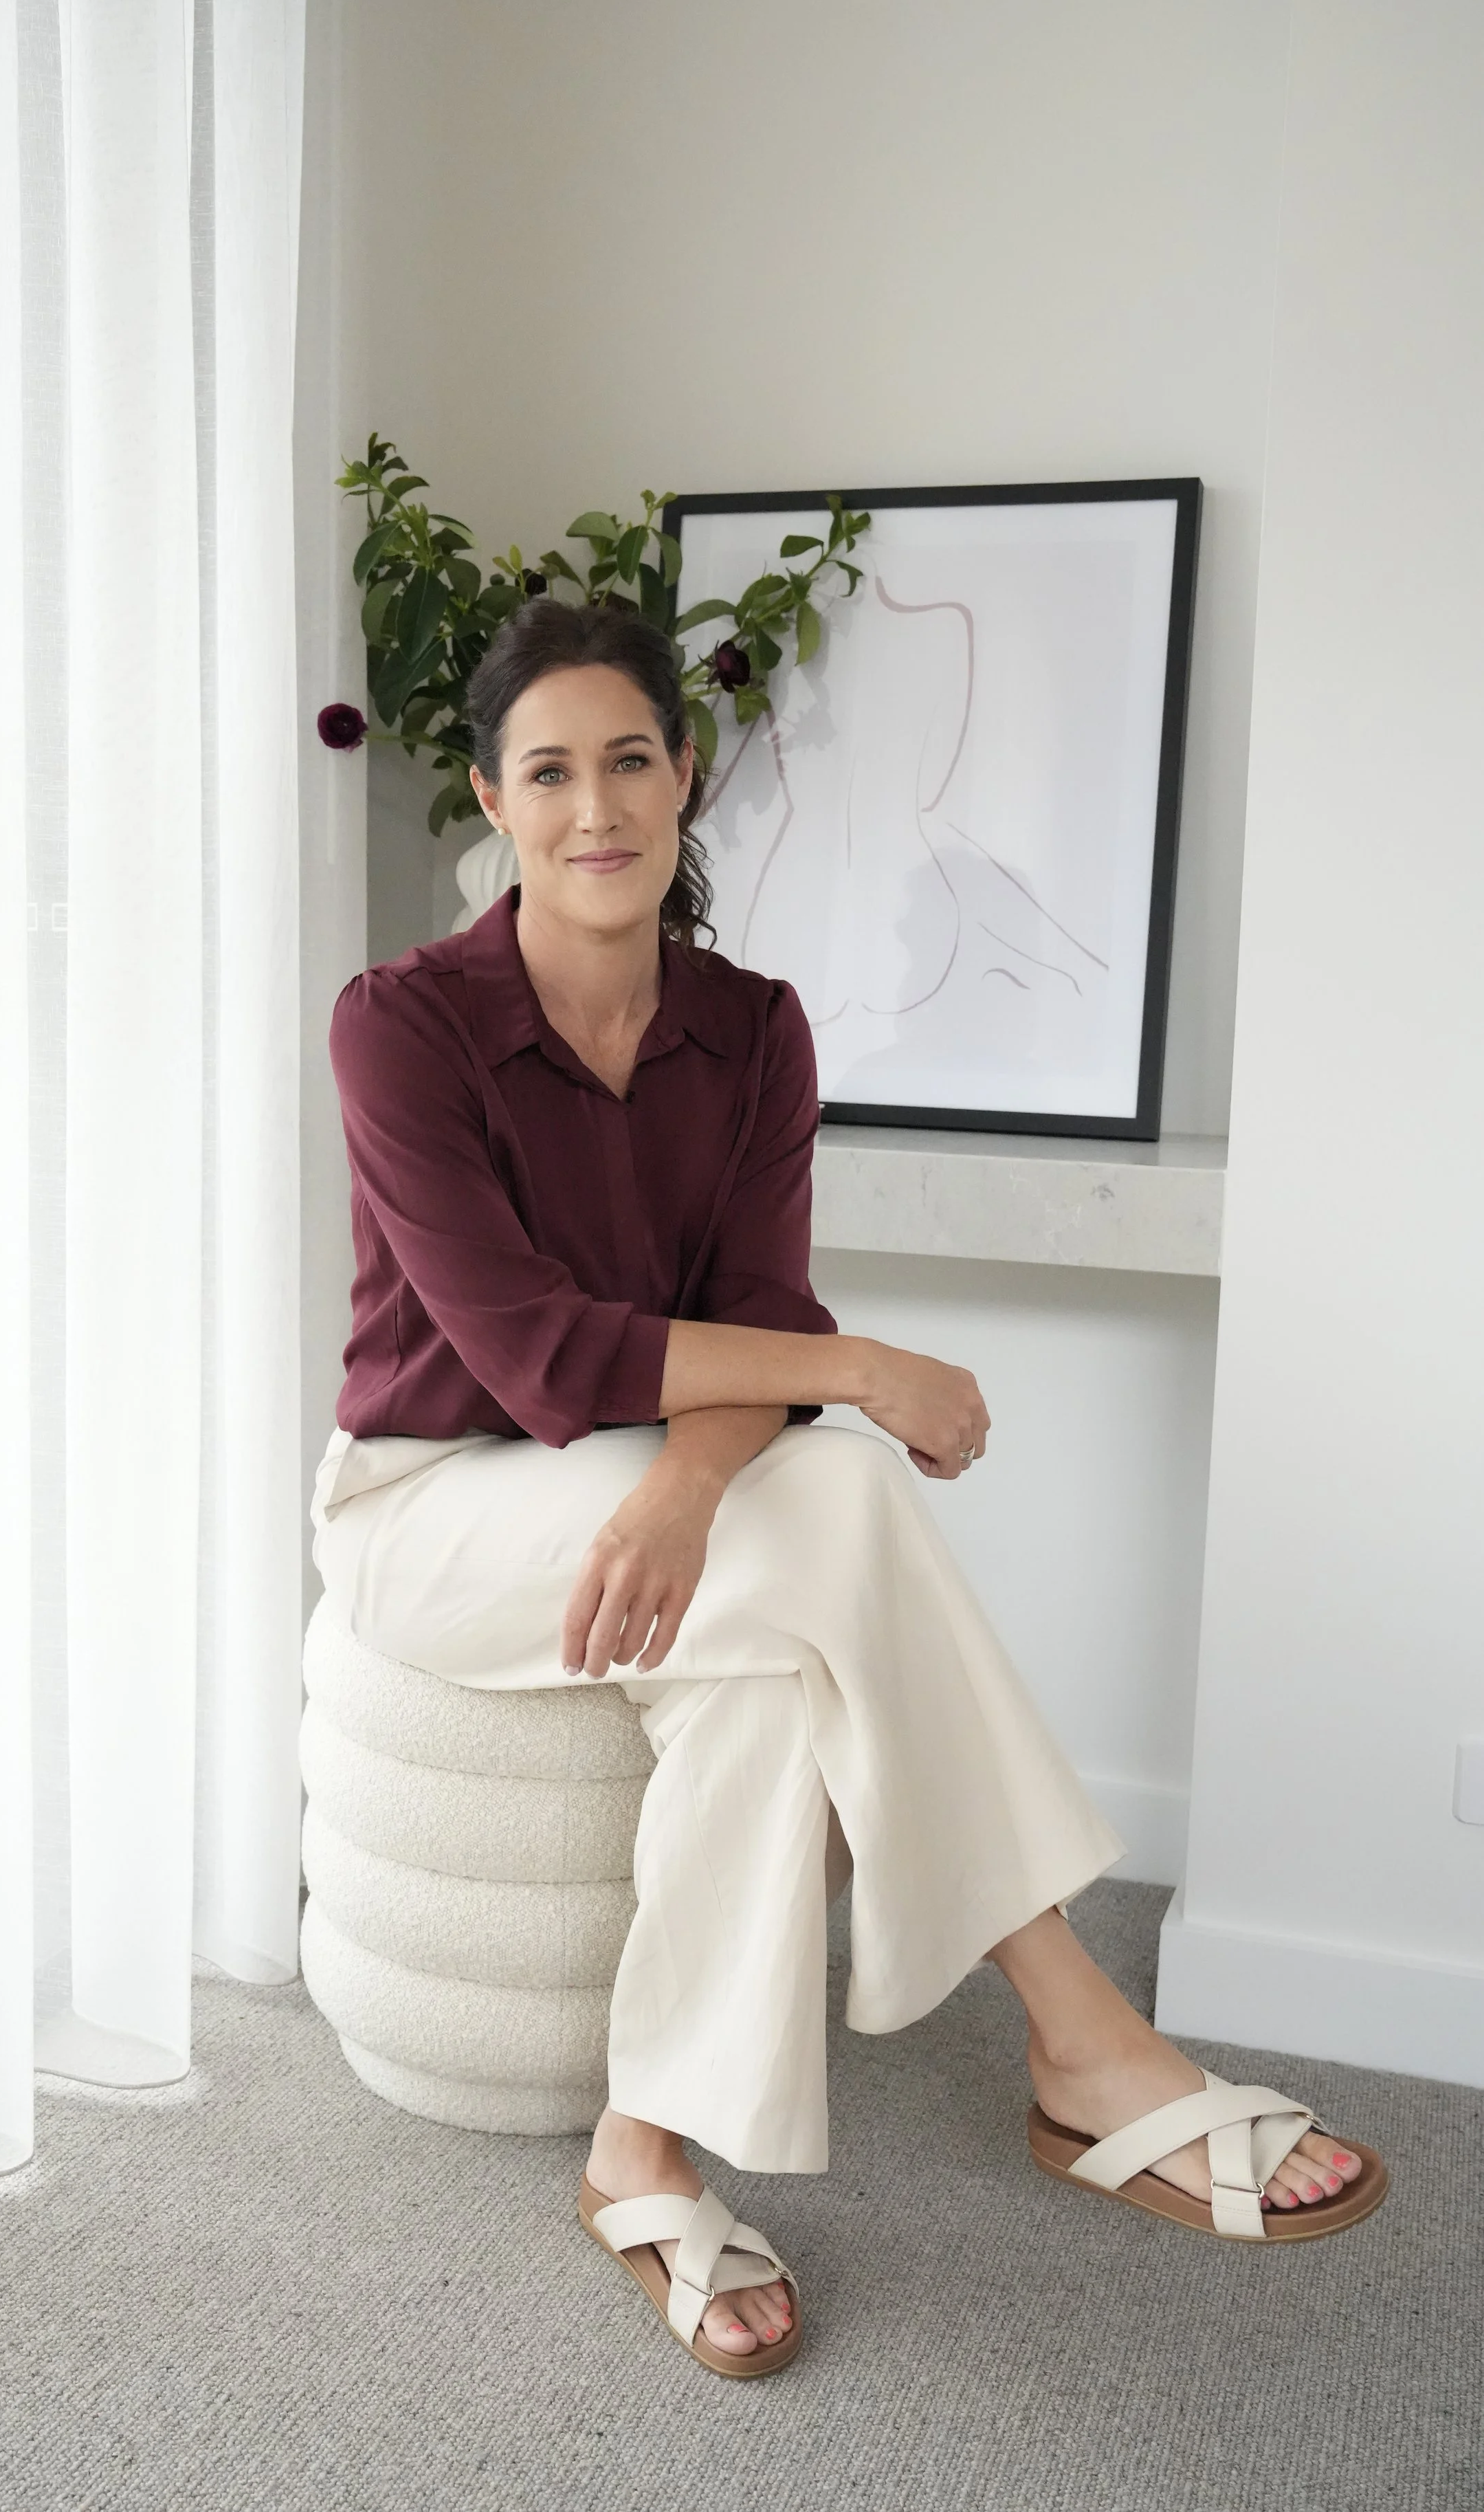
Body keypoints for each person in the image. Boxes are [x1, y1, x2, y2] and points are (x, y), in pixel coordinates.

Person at [311, 598, 1385, 2380]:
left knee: (778, 1648)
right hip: (435, 1503)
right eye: (550, 771)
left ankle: (639, 2148)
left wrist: (676, 1492)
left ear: (683, 777)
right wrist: (858, 1372)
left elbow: (744, 1317)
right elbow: (525, 1347)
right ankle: (1081, 2037)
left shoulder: (751, 1028)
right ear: (494, 803)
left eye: (631, 758)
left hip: (656, 1477)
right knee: (859, 1495)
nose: (598, 805)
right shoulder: (398, 1025)